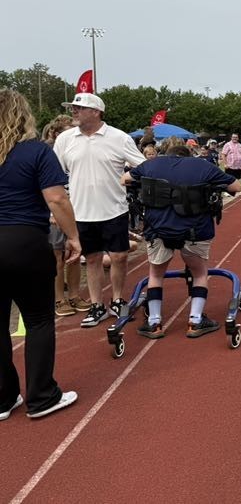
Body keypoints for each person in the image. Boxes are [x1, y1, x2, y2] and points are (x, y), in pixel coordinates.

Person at [0, 89, 80, 420]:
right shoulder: (36, 152)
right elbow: (57, 199)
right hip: (25, 241)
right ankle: (42, 395)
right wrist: (74, 237)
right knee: (39, 320)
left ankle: (4, 399)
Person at [122, 139, 241, 338]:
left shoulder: (150, 164)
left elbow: (123, 179)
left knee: (156, 274)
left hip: (158, 229)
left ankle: (154, 322)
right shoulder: (203, 165)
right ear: (188, 154)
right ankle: (195, 321)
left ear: (167, 153)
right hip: (194, 231)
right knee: (199, 273)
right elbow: (235, 186)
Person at [53, 93, 146, 327]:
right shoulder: (65, 139)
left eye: (79, 108)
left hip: (114, 209)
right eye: (73, 107)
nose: (74, 111)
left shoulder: (119, 137)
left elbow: (143, 165)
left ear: (96, 112)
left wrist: (130, 176)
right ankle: (96, 305)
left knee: (120, 256)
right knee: (92, 259)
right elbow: (53, 174)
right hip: (81, 212)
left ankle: (116, 299)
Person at [42, 115, 85, 317]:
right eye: (69, 131)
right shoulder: (47, 154)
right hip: (56, 212)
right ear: (57, 134)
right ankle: (59, 299)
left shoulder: (77, 152)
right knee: (57, 256)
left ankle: (75, 295)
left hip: (77, 209)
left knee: (75, 254)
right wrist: (51, 212)